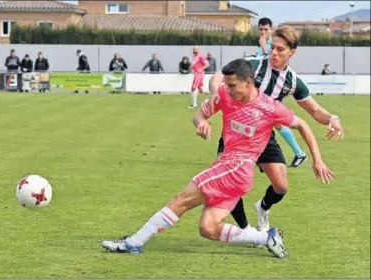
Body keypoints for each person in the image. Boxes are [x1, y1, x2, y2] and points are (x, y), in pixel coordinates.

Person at [101, 59, 334, 259]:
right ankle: (265, 237)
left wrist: (317, 159)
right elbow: (198, 114)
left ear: (249, 82)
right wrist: (202, 122)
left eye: (233, 86)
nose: (229, 89)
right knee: (208, 228)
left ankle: (133, 243)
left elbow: (302, 123)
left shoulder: (269, 107)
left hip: (237, 168)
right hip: (228, 167)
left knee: (181, 199)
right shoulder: (223, 94)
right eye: (227, 85)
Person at [208, 25, 344, 234]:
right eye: (272, 47)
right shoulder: (253, 65)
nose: (274, 53)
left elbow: (315, 111)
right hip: (236, 134)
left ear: (292, 52)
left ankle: (262, 208)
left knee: (281, 187)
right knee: (230, 187)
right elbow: (218, 76)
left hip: (263, 136)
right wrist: (212, 94)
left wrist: (332, 118)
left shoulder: (292, 81)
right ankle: (247, 230)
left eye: (280, 49)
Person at [256, 18, 307, 168]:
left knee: (277, 124)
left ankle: (299, 153)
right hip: (260, 93)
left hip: (271, 92)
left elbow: (269, 61)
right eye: (261, 30)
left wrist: (264, 46)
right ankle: (298, 153)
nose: (263, 32)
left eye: (266, 29)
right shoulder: (264, 44)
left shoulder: (273, 44)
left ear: (271, 30)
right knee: (275, 124)